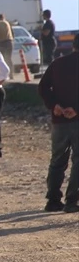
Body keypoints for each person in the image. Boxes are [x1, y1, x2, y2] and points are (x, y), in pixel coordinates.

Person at [39, 50, 79, 212]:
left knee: (57, 160)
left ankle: (53, 200)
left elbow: (43, 87)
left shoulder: (58, 63)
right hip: (77, 120)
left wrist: (54, 105)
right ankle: (71, 201)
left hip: (59, 121)